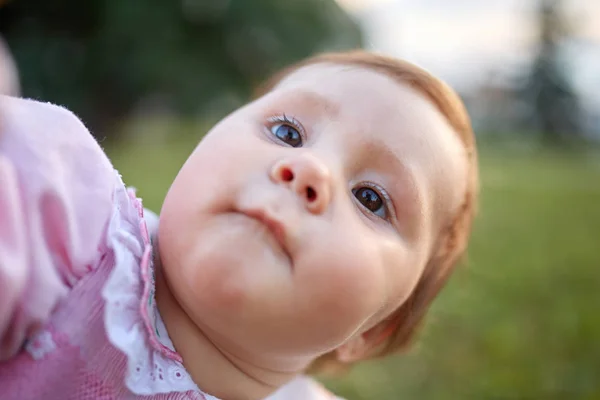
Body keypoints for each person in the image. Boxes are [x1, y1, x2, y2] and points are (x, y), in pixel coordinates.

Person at [0, 50, 478, 400]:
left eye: (370, 199)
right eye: (287, 133)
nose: (311, 169)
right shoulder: (66, 220)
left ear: (372, 332)